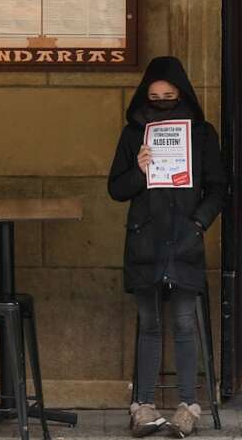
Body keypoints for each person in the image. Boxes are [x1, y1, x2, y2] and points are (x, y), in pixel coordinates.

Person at [108, 56, 227, 438]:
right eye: (155, 96)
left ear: (183, 95)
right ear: (145, 95)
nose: (161, 101)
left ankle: (187, 406)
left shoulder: (203, 134)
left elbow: (218, 188)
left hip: (184, 240)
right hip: (145, 240)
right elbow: (116, 189)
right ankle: (142, 406)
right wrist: (139, 171)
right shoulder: (132, 135)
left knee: (184, 322)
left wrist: (198, 224)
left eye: (169, 95)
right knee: (150, 325)